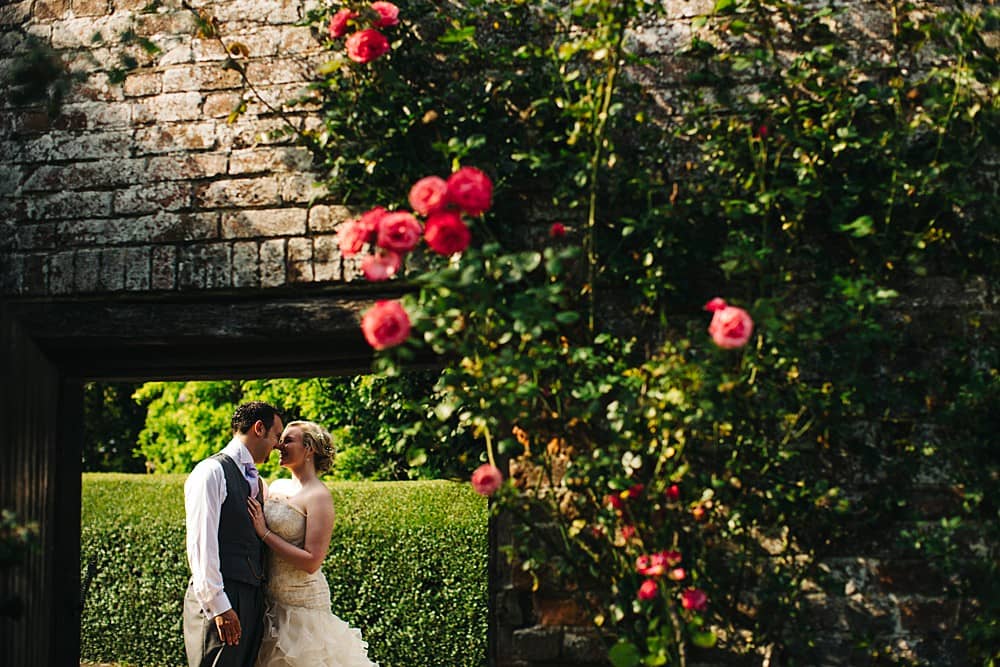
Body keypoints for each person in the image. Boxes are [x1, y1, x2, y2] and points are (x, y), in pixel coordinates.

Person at [246, 420, 379, 667]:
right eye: (280, 439)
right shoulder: (275, 487)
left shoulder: (319, 496)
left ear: (309, 450)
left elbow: (312, 561)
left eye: (288, 440)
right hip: (270, 603)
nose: (278, 446)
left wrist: (265, 534)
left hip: (302, 608)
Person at [183, 401, 284, 667]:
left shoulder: (256, 480)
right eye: (277, 436)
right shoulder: (210, 472)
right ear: (259, 428)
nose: (278, 445)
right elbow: (200, 543)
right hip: (223, 597)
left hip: (251, 598)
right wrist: (220, 606)